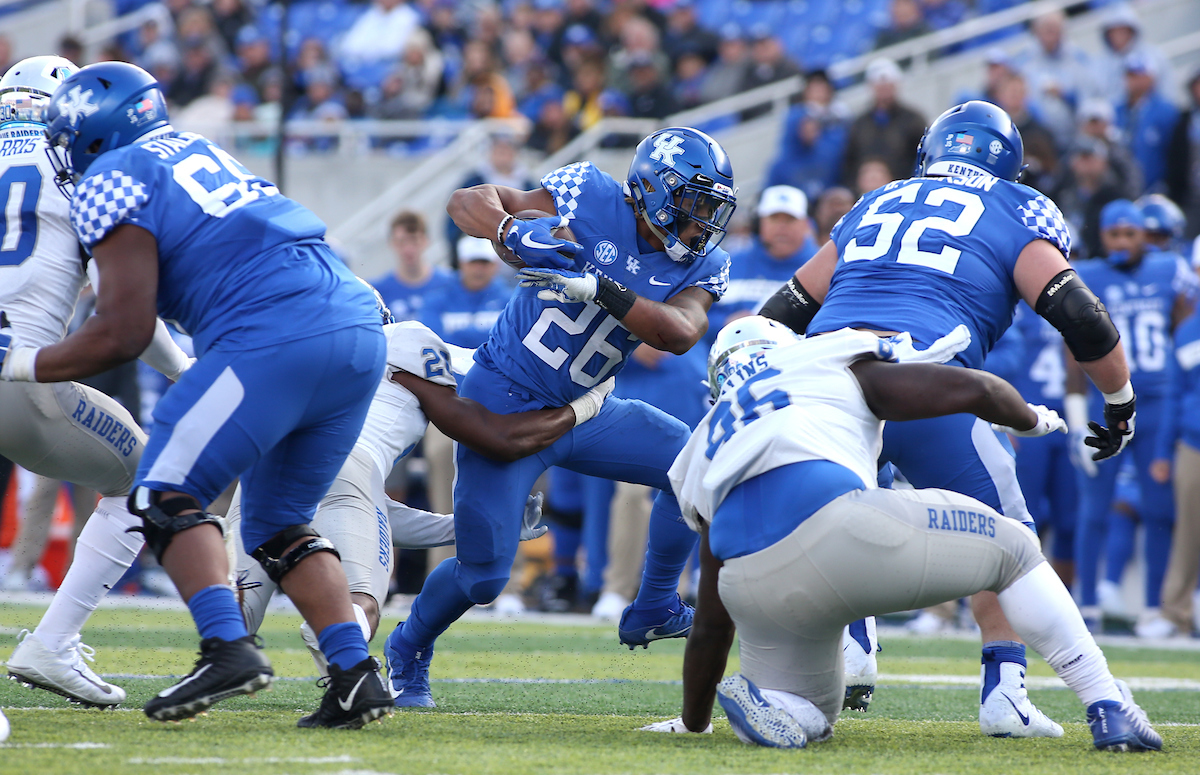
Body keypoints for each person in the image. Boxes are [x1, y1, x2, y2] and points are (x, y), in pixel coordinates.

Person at [14, 61, 391, 728]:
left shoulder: (111, 175)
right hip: (355, 325)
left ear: (94, 132)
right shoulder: (194, 148)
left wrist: (22, 361)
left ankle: (226, 647)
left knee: (161, 494)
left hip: (274, 333)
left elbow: (122, 331)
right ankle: (355, 676)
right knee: (278, 524)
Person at [755, 101, 1137, 737]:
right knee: (1009, 543)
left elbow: (786, 308)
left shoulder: (878, 200)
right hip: (924, 382)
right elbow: (1081, 316)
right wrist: (1119, 400)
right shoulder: (1017, 206)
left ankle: (851, 645)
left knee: (833, 510)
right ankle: (1010, 690)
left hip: (823, 383)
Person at [644, 316, 1161, 754]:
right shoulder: (818, 358)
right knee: (1015, 547)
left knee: (814, 711)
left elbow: (711, 623)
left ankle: (778, 702)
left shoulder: (704, 440)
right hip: (834, 531)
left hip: (752, 590)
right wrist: (1030, 420)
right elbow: (978, 389)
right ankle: (1107, 702)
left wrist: (694, 722)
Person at [381, 126, 736, 707]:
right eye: (693, 204)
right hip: (503, 397)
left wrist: (599, 287)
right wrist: (509, 230)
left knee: (692, 464)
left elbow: (679, 333)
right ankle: (407, 645)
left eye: (710, 208)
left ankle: (653, 604)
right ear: (652, 189)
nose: (703, 223)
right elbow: (467, 201)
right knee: (483, 576)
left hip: (588, 409)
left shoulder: (703, 264)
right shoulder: (589, 194)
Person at [230, 318, 614, 664]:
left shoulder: (306, 355)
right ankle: (346, 669)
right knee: (360, 603)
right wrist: (584, 407)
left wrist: (469, 527)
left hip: (264, 471)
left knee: (239, 610)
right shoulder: (403, 337)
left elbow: (375, 515)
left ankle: (223, 664)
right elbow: (497, 438)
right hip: (345, 464)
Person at [0, 56, 194, 709]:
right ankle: (52, 643)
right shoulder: (76, 169)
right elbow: (127, 311)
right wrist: (185, 371)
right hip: (16, 374)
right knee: (147, 482)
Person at [1066, 200, 1195, 636]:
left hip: (1157, 404)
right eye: (1114, 234)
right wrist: (1076, 418)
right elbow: (1073, 352)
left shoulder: (1169, 269)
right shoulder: (1088, 276)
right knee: (1094, 506)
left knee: (1158, 509)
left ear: (1143, 235)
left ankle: (1155, 606)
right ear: (1102, 237)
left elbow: (1184, 331)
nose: (1122, 242)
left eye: (1130, 233)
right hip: (1108, 402)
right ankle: (1087, 603)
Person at [709, 186, 817, 339]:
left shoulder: (823, 268)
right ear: (759, 223)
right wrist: (726, 323)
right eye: (774, 218)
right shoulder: (728, 263)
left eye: (790, 219)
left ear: (806, 225)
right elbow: (701, 316)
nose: (781, 227)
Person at [369, 211, 455, 324]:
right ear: (392, 243)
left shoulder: (452, 284)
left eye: (413, 240)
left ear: (425, 241)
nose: (408, 249)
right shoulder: (379, 292)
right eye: (402, 242)